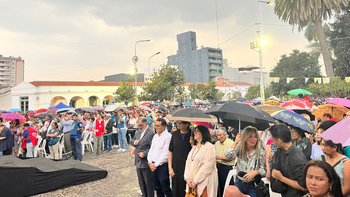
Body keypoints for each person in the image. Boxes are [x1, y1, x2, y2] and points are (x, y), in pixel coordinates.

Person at [225, 126, 266, 197]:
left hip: (253, 185)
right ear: (245, 138)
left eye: (255, 137)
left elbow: (265, 170)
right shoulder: (240, 148)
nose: (253, 139)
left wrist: (256, 172)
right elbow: (228, 156)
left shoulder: (260, 152)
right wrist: (236, 142)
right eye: (250, 136)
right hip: (239, 183)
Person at [270, 124, 307, 197]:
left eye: (273, 139)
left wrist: (281, 178)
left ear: (279, 140)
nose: (273, 141)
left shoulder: (296, 157)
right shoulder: (283, 151)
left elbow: (304, 187)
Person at [184, 125, 218, 197]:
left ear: (203, 133)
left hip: (204, 182)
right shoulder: (195, 148)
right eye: (194, 131)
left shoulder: (209, 147)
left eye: (197, 131)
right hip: (192, 182)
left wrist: (196, 180)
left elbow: (207, 166)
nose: (194, 133)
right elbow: (188, 163)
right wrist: (187, 178)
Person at [147, 118, 173, 197]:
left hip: (162, 166)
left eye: (158, 126)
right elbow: (151, 150)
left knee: (165, 188)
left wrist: (155, 165)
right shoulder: (155, 136)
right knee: (157, 188)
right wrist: (150, 162)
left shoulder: (168, 137)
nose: (156, 127)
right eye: (156, 125)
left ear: (164, 126)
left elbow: (166, 154)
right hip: (153, 165)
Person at [131, 117, 155, 197]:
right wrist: (135, 142)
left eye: (141, 125)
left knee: (148, 183)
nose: (139, 127)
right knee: (141, 182)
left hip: (145, 162)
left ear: (146, 124)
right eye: (138, 125)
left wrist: (145, 153)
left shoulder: (150, 133)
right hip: (138, 161)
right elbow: (132, 141)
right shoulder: (138, 131)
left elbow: (153, 148)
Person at [168, 121, 192, 197]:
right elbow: (170, 151)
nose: (178, 124)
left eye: (181, 123)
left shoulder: (192, 135)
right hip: (176, 166)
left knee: (187, 188)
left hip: (188, 166)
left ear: (186, 125)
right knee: (176, 188)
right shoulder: (175, 134)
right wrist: (170, 168)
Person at [215, 127, 235, 196]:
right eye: (217, 135)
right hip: (218, 166)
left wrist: (218, 157)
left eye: (220, 135)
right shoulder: (217, 143)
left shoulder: (231, 143)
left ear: (225, 135)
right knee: (218, 187)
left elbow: (231, 158)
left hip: (227, 167)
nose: (219, 137)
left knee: (226, 187)